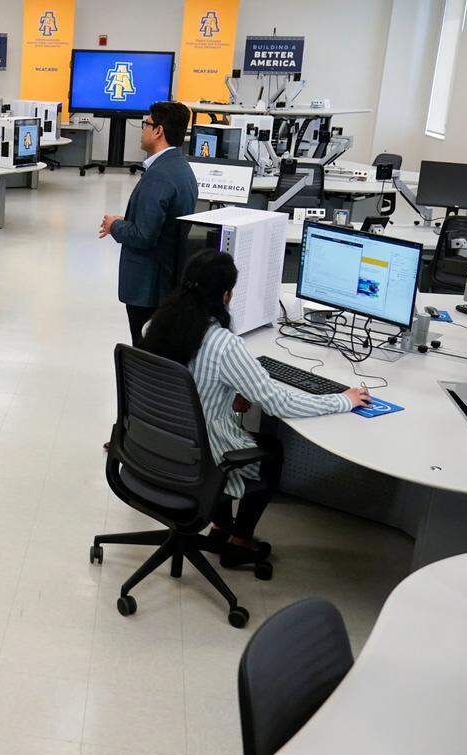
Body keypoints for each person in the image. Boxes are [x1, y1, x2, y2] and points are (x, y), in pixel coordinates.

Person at [138, 250, 371, 567]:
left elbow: (187, 380)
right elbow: (278, 401)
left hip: (155, 448)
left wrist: (232, 387)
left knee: (225, 432)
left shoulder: (156, 326)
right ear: (225, 295)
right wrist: (344, 399)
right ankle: (240, 542)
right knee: (271, 450)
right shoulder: (224, 345)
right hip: (199, 458)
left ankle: (221, 526)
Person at [99, 100, 199, 343]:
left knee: (144, 350)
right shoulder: (180, 168)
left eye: (147, 124)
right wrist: (131, 220)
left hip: (148, 287)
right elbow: (162, 224)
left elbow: (144, 236)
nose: (143, 129)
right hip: (164, 281)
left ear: (158, 131)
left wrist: (115, 226)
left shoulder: (159, 176)